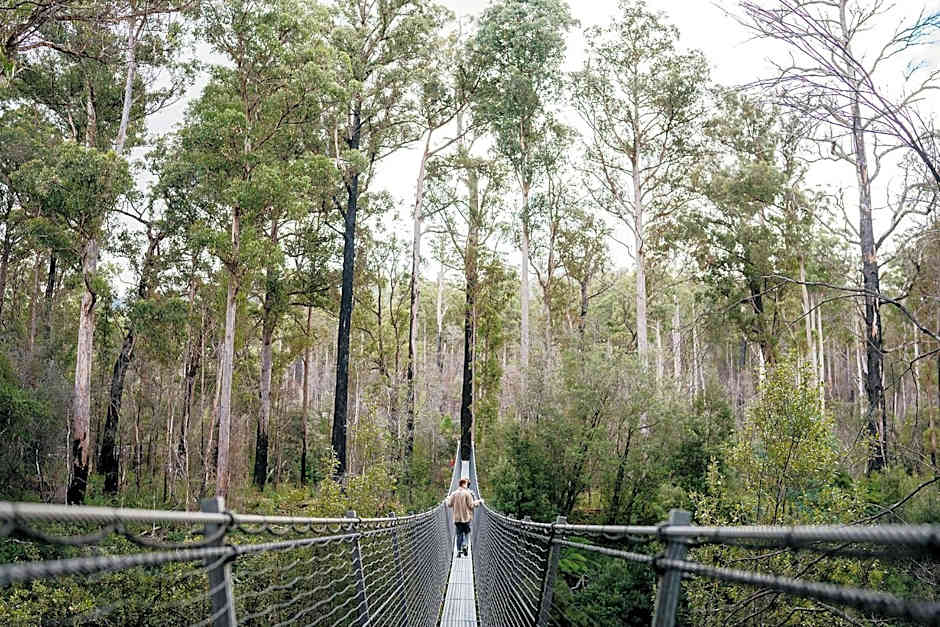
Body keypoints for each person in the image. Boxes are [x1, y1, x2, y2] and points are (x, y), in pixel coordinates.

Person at [445, 478, 483, 557]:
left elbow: (449, 504)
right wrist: (479, 502)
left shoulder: (454, 493)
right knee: (467, 532)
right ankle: (465, 545)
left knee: (458, 534)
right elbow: (471, 505)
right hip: (466, 518)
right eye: (467, 484)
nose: (468, 486)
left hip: (457, 518)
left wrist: (447, 499)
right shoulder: (467, 494)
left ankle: (459, 551)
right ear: (464, 484)